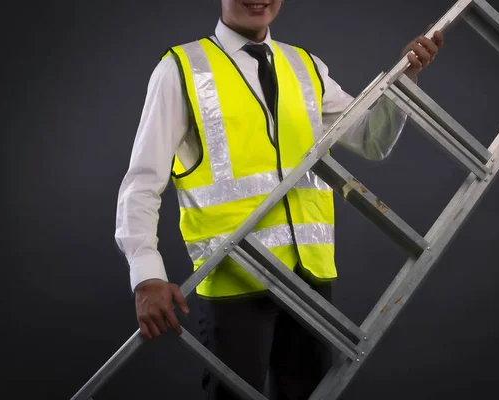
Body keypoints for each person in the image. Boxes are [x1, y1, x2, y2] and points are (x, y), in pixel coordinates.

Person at [115, 0, 444, 398]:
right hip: (235, 279)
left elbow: (372, 139)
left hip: (311, 279)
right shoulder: (181, 69)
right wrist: (146, 274)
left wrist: (405, 79)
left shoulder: (306, 66)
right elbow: (142, 182)